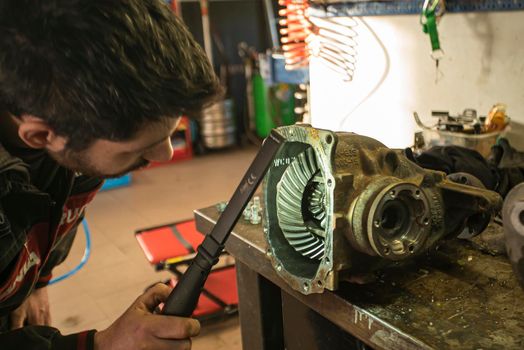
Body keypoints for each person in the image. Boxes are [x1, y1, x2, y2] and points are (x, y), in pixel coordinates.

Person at [0, 0, 221, 349]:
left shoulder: (74, 129)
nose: (163, 154)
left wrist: (31, 279)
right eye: (135, 149)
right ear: (42, 136)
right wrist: (100, 345)